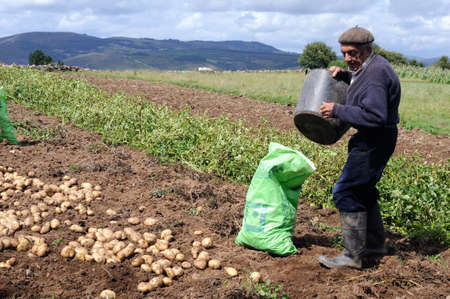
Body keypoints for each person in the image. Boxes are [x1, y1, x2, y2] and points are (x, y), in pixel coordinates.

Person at [318, 26, 401, 269]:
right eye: (344, 53)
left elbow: (375, 115)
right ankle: (375, 246)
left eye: (352, 54)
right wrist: (345, 74)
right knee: (363, 190)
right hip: (379, 137)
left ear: (367, 50)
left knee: (345, 192)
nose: (347, 58)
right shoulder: (372, 66)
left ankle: (353, 255)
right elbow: (362, 85)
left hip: (374, 139)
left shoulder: (376, 74)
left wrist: (337, 109)